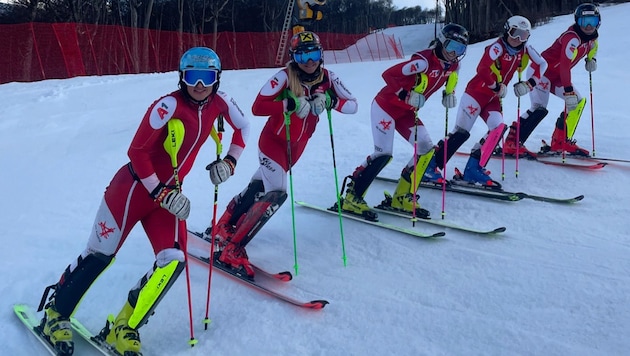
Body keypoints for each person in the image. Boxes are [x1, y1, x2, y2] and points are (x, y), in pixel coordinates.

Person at [38, 47, 250, 355]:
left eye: (207, 78)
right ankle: (55, 315)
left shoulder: (221, 102)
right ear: (182, 78)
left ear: (217, 79)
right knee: (99, 255)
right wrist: (161, 192)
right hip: (131, 191)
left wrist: (230, 162)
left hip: (167, 199)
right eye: (193, 77)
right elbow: (136, 152)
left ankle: (124, 325)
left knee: (173, 261)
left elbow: (243, 127)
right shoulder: (167, 106)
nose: (200, 85)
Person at [211, 30, 357, 278]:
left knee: (260, 183)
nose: (309, 62)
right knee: (276, 193)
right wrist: (287, 104)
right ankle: (232, 248)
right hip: (273, 143)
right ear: (294, 58)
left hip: (296, 149)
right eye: (302, 55)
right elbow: (258, 106)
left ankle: (225, 223)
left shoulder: (329, 79)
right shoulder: (283, 77)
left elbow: (353, 105)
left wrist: (332, 102)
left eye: (313, 54)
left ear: (321, 55)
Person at [339, 23, 469, 220]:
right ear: (442, 42)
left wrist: (448, 94)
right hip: (386, 108)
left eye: (460, 49)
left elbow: (451, 79)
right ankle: (352, 196)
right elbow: (388, 74)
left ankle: (402, 196)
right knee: (383, 153)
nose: (454, 53)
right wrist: (404, 94)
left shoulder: (454, 66)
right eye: (451, 46)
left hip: (407, 113)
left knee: (426, 148)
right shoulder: (423, 62)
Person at [430, 15, 548, 187]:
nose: (518, 39)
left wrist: (530, 84)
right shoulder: (497, 47)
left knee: (498, 128)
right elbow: (482, 68)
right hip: (476, 94)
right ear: (507, 30)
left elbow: (543, 64)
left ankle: (473, 169)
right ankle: (431, 166)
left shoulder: (525, 49)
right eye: (515, 33)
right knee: (460, 133)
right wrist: (495, 86)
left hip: (493, 99)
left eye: (523, 35)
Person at [503, 3, 600, 157]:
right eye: (584, 22)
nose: (588, 26)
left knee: (578, 103)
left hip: (557, 77)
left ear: (598, 22)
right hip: (542, 73)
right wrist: (568, 91)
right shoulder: (572, 39)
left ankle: (560, 140)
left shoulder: (592, 39)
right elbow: (565, 66)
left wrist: (591, 59)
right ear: (577, 21)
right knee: (539, 107)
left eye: (592, 21)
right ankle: (512, 142)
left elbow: (593, 46)